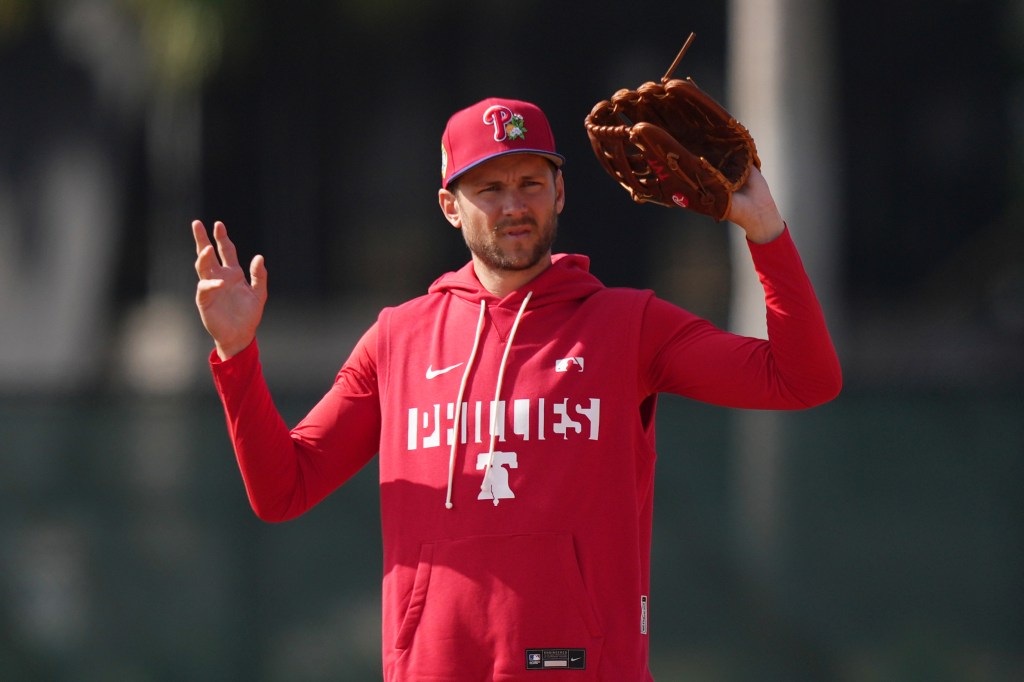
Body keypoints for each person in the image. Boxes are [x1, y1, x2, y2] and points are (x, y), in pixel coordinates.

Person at [191, 96, 841, 681]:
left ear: (560, 193)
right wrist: (237, 353)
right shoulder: (397, 339)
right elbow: (283, 490)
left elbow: (804, 380)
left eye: (531, 182)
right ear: (450, 206)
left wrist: (766, 233)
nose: (513, 205)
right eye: (489, 188)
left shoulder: (627, 324)